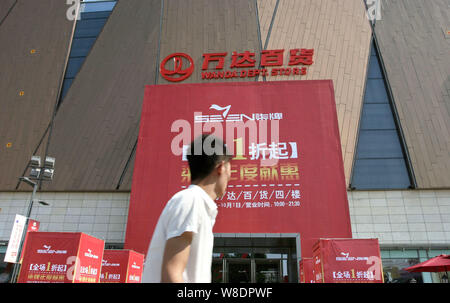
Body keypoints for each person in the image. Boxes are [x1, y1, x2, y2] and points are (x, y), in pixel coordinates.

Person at [142, 134, 233, 283]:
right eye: (230, 171)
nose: (230, 177)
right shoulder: (191, 201)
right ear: (221, 168)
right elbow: (172, 274)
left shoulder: (197, 204)